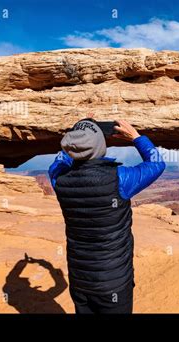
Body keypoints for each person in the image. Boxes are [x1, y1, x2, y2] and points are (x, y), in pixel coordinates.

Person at [48, 118, 165, 313]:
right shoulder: (119, 179)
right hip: (114, 283)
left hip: (80, 281)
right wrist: (136, 137)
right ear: (101, 146)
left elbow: (61, 159)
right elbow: (156, 163)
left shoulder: (59, 179)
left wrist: (79, 132)